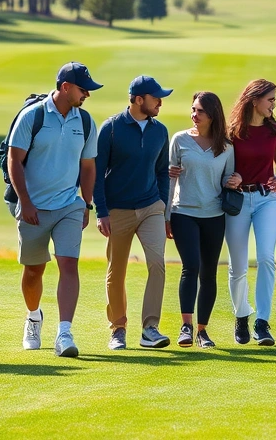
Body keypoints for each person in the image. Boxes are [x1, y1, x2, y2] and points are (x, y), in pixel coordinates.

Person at [7, 62, 102, 358]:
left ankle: (64, 332)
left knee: (68, 264)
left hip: (68, 206)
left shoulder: (85, 122)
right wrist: (25, 202)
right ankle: (34, 317)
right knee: (34, 270)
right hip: (32, 206)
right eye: (82, 88)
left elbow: (88, 167)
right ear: (65, 87)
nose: (87, 94)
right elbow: (13, 161)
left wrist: (85, 203)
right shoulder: (32, 117)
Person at [95, 75, 173, 350]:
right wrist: (101, 212)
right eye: (156, 98)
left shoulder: (159, 130)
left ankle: (150, 328)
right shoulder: (111, 129)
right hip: (118, 210)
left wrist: (163, 207)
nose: (160, 102)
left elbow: (162, 171)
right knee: (116, 271)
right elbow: (97, 174)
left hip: (151, 206)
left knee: (157, 263)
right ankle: (118, 328)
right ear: (139, 99)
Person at [166, 92, 241, 348]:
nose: (194, 115)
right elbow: (170, 179)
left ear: (212, 114)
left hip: (214, 215)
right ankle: (185, 326)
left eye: (199, 111)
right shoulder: (180, 140)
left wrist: (236, 180)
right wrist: (166, 215)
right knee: (191, 267)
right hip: (183, 212)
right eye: (193, 109)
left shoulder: (226, 147)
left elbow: (228, 179)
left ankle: (202, 330)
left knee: (209, 273)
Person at [225, 79, 276, 346]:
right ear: (255, 100)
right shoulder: (232, 132)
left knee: (266, 258)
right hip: (237, 202)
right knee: (238, 266)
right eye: (270, 99)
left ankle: (262, 322)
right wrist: (231, 178)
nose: (274, 104)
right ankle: (242, 315)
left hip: (266, 200)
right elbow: (220, 168)